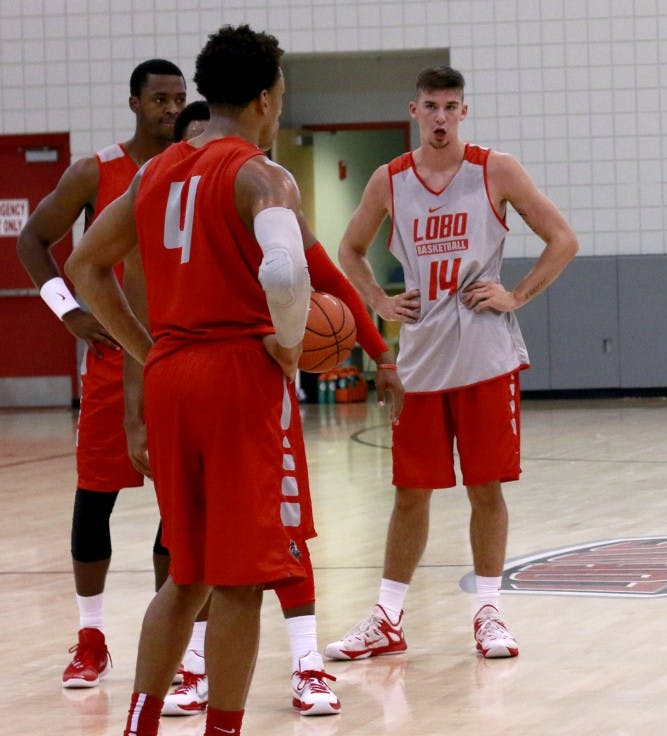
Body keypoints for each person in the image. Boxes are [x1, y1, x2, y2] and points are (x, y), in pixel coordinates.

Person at [66, 24, 323, 736]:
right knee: (239, 580)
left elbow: (85, 265)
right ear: (269, 96)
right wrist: (293, 343)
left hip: (173, 371)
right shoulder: (263, 175)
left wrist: (148, 352)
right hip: (239, 374)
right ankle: (223, 730)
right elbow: (284, 271)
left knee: (188, 572)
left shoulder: (156, 171)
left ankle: (140, 724)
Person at [154, 99, 403, 718]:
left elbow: (320, 274)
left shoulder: (262, 195)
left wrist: (380, 354)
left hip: (254, 386)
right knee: (190, 548)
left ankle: (306, 664)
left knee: (283, 528)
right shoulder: (168, 195)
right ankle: (194, 663)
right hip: (195, 383)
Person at [326, 65, 578, 661]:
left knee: (484, 488)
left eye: (451, 106)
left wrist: (516, 295)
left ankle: (488, 611)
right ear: (413, 111)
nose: (441, 117)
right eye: (430, 106)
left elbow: (562, 239)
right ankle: (387, 617)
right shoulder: (390, 180)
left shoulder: (496, 170)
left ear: (464, 112)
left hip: (487, 357)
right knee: (410, 493)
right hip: (420, 361)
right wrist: (379, 301)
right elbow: (348, 249)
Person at [15, 58, 186, 689]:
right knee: (94, 503)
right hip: (116, 363)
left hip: (178, 357)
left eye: (179, 99)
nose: (170, 109)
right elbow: (32, 238)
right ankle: (91, 639)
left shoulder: (193, 168)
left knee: (179, 509)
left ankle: (176, 644)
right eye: (160, 99)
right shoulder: (96, 169)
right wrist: (68, 311)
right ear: (134, 102)